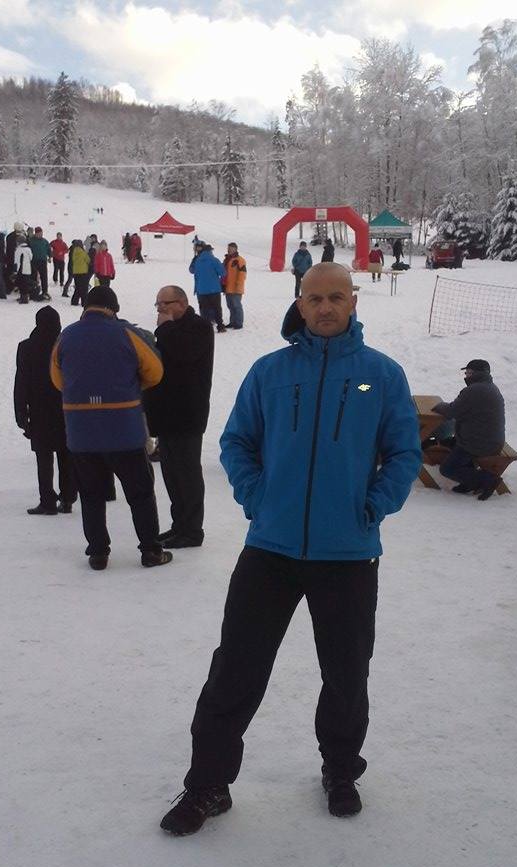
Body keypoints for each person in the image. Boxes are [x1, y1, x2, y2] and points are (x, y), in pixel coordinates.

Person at [159, 262, 422, 836]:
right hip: (270, 550)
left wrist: (374, 505)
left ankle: (341, 770)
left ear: (353, 302)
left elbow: (405, 452)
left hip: (348, 553)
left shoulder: (381, 375)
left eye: (336, 297)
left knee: (346, 673)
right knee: (235, 670)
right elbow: (236, 442)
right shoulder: (270, 372)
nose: (325, 307)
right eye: (314, 298)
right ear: (300, 304)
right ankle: (208, 785)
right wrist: (258, 497)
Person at [50, 285, 172, 570]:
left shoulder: (66, 336)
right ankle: (151, 550)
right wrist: (131, 386)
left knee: (91, 495)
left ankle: (98, 552)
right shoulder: (126, 333)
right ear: (112, 309)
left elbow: (57, 380)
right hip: (124, 429)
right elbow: (155, 371)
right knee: (140, 494)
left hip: (82, 432)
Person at [143, 286, 214, 548]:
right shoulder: (169, 330)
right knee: (172, 475)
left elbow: (184, 353)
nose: (161, 309)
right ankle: (179, 525)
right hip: (166, 415)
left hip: (188, 414)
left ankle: (192, 530)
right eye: (158, 304)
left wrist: (164, 328)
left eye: (166, 303)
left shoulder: (199, 327)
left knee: (187, 475)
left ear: (182, 303)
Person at [14, 306, 77, 515]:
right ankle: (67, 499)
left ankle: (47, 500)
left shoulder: (26, 347)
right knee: (66, 455)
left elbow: (21, 383)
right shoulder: (66, 345)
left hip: (39, 411)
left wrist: (21, 412)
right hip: (66, 408)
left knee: (44, 458)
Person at [432, 359, 505, 501]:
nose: (466, 376)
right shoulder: (489, 387)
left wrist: (438, 406)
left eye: (469, 372)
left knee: (447, 469)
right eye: (466, 372)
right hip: (488, 439)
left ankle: (488, 480)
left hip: (480, 443)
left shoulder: (474, 391)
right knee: (448, 442)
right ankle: (469, 482)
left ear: (478, 373)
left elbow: (451, 411)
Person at [189, 242, 227, 333]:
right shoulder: (214, 260)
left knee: (204, 310)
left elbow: (191, 270)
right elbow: (223, 273)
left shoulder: (197, 260)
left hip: (201, 290)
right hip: (214, 289)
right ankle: (220, 326)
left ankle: (205, 328)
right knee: (217, 308)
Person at [222, 242, 246, 329]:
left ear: (235, 249)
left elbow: (242, 274)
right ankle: (232, 322)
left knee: (237, 306)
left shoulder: (240, 260)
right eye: (228, 248)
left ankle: (239, 323)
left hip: (236, 287)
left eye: (231, 248)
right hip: (227, 287)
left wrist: (238, 285)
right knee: (230, 306)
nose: (229, 250)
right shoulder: (226, 260)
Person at [29, 227, 52, 300]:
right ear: (35, 233)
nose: (40, 234)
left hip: (43, 261)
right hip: (34, 261)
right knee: (33, 276)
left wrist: (50, 256)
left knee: (44, 277)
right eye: (38, 233)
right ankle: (33, 291)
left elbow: (49, 249)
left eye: (41, 233)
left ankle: (45, 291)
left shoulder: (44, 241)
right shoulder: (31, 241)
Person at [69, 240, 91, 306]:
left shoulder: (74, 252)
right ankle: (84, 302)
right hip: (83, 272)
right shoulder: (83, 252)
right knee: (84, 288)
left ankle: (74, 301)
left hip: (76, 272)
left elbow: (73, 260)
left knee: (77, 287)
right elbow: (88, 260)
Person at [15, 237, 34, 304]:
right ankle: (25, 297)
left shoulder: (18, 250)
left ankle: (23, 298)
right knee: (25, 284)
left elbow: (16, 261)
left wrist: (15, 270)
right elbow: (31, 257)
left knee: (21, 284)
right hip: (27, 269)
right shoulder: (28, 249)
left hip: (20, 269)